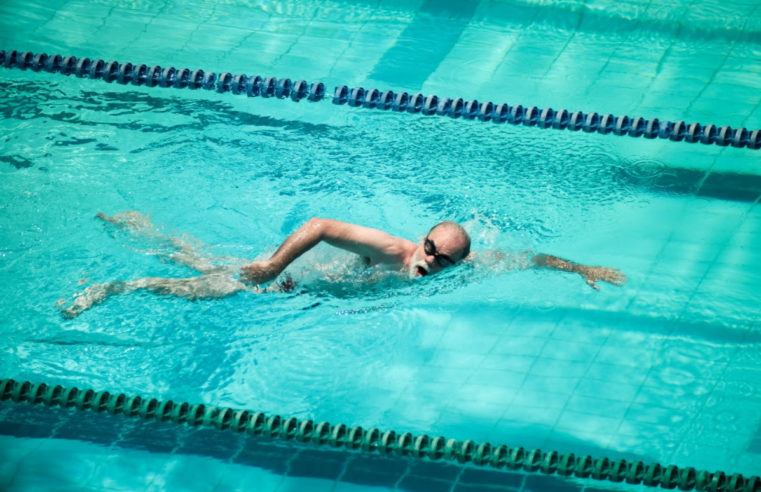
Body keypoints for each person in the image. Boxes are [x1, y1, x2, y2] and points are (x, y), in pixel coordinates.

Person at [60, 212, 626, 318]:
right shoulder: (393, 249)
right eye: (430, 249)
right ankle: (118, 286)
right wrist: (272, 269)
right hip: (291, 281)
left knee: (204, 263)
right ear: (422, 239)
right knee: (212, 285)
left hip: (304, 294)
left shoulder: (461, 266)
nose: (430, 263)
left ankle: (142, 229)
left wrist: (583, 270)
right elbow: (321, 226)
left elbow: (527, 258)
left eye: (444, 261)